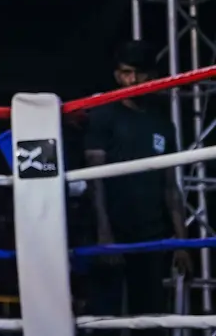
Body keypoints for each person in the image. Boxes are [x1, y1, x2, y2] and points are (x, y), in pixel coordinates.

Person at [84, 40, 190, 334]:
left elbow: (170, 186)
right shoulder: (104, 115)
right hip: (113, 231)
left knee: (150, 319)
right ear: (117, 74)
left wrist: (182, 241)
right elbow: (94, 178)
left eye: (138, 73)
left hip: (151, 236)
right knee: (105, 318)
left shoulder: (162, 124)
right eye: (125, 72)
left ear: (151, 76)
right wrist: (105, 234)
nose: (132, 80)